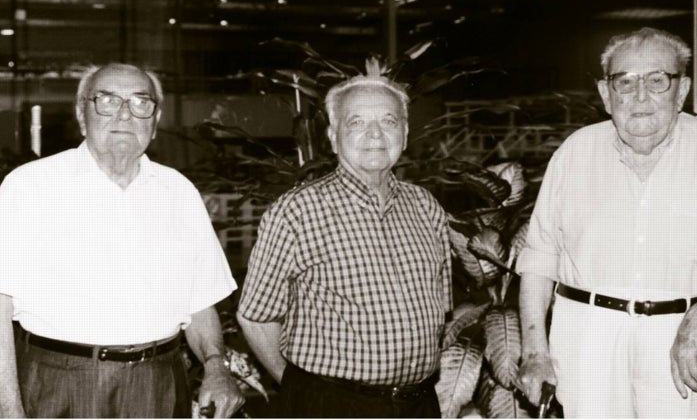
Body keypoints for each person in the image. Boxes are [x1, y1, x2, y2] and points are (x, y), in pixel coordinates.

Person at [516, 27, 697, 417]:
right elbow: (539, 258)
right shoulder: (575, 153)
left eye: (658, 80)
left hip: (691, 348)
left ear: (683, 90)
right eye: (625, 82)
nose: (641, 97)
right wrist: (535, 352)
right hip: (588, 348)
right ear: (607, 95)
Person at [0, 63, 244, 418]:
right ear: (82, 114)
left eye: (140, 102)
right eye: (108, 101)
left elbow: (200, 300)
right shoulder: (30, 187)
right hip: (60, 383)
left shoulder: (178, 191)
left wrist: (216, 365)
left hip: (159, 383)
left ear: (155, 121)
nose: (125, 114)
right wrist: (8, 409)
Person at [236, 75, 452, 418]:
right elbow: (255, 317)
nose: (376, 134)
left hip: (418, 404)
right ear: (334, 137)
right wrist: (300, 388)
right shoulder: (297, 211)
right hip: (330, 405)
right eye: (357, 122)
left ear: (406, 133)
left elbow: (440, 308)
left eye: (388, 121)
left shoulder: (425, 206)